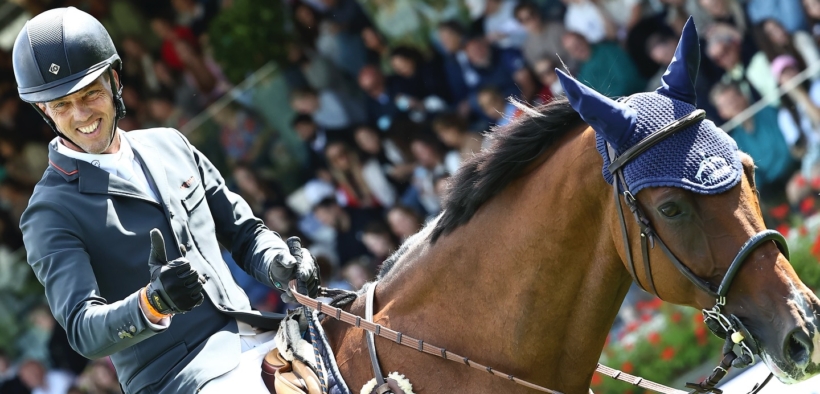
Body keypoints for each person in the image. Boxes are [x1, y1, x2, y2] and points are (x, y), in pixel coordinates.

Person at [13, 8, 318, 394]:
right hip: (179, 376)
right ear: (44, 110)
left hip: (260, 334)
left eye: (90, 93)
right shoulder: (48, 213)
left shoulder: (170, 143)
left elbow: (244, 233)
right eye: (61, 105)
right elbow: (83, 329)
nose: (81, 114)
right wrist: (152, 303)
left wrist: (280, 264)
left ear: (114, 81)